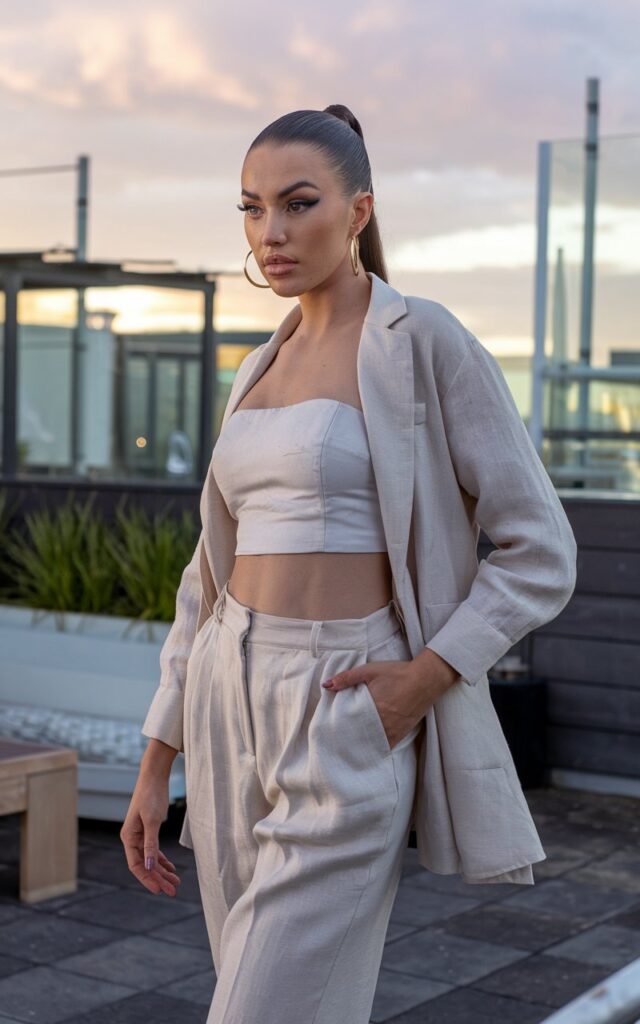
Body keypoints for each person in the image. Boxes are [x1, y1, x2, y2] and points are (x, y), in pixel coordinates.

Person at [121, 104, 577, 1024]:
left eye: (298, 204)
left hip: (343, 700)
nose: (272, 234)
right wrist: (156, 750)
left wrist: (424, 678)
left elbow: (541, 549)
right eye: (251, 210)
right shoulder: (257, 367)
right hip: (224, 698)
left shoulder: (424, 342)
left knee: (257, 1008)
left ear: (359, 210)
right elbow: (204, 580)